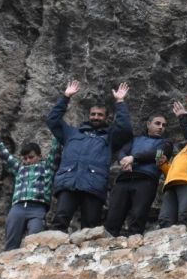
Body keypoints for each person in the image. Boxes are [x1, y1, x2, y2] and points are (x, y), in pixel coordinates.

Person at [46, 80, 133, 231]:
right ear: (88, 116)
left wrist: (120, 102)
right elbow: (52, 120)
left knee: (90, 226)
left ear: (106, 118)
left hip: (94, 185)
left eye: (100, 115)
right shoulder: (71, 133)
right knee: (60, 220)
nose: (96, 117)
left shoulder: (110, 136)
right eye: (93, 114)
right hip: (69, 182)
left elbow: (125, 129)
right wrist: (66, 97)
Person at [0, 123, 60, 250]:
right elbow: (5, 155)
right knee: (11, 243)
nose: (27, 161)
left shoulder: (47, 167)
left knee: (35, 242)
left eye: (31, 157)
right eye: (25, 158)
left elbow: (55, 149)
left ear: (39, 156)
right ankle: (8, 267)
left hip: (38, 208)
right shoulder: (19, 168)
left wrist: (57, 126)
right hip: (18, 208)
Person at [103, 113, 170, 237]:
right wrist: (124, 160)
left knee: (138, 215)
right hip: (124, 178)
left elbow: (158, 155)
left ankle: (134, 244)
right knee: (114, 214)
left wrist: (133, 158)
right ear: (148, 124)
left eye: (164, 125)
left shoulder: (166, 143)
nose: (161, 127)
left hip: (146, 180)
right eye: (157, 123)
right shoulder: (135, 140)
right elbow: (122, 151)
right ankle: (106, 245)